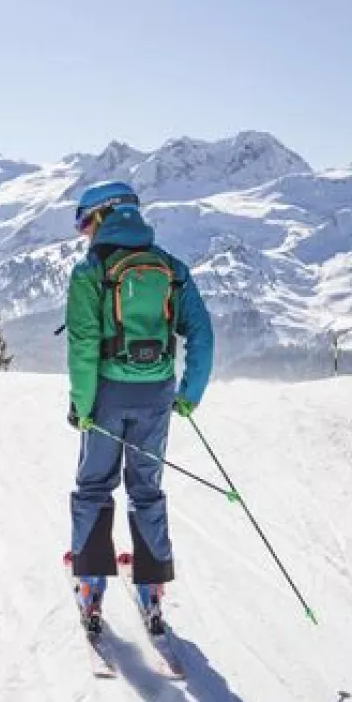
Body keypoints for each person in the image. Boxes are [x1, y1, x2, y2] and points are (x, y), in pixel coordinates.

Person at [65, 181, 213, 635]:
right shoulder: (170, 267)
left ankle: (91, 590)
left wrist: (82, 406)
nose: (85, 233)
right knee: (146, 489)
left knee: (93, 487)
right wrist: (188, 394)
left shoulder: (90, 272)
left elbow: (84, 346)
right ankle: (152, 595)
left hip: (107, 395)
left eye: (86, 222)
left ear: (104, 216)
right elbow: (202, 334)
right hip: (157, 395)